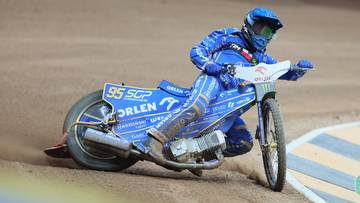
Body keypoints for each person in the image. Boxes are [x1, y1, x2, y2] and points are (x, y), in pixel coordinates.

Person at [144, 8, 313, 163]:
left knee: (243, 142)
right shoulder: (228, 36)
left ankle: (196, 154)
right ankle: (156, 140)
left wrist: (298, 69)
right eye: (262, 29)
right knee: (197, 105)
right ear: (250, 25)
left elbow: (279, 71)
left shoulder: (262, 58)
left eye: (269, 33)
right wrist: (208, 65)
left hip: (231, 102)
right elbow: (197, 50)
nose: (264, 36)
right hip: (213, 81)